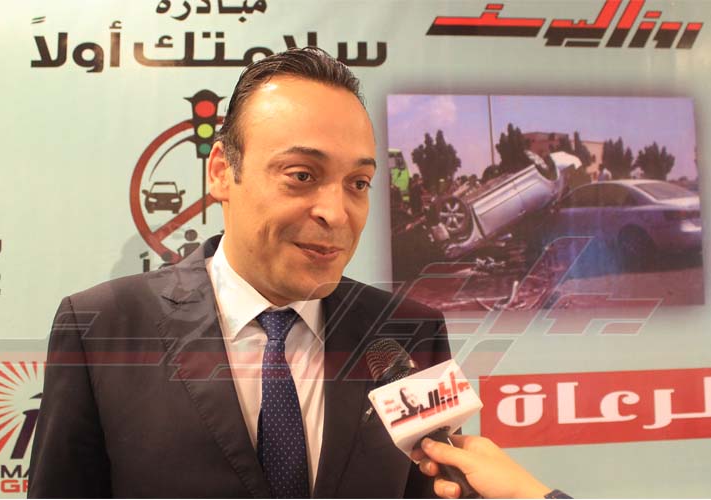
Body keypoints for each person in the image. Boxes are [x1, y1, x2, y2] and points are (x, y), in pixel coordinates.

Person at [28, 47, 558, 499]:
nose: (336, 212)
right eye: (302, 175)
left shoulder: (408, 332)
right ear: (222, 172)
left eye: (357, 183)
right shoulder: (103, 326)